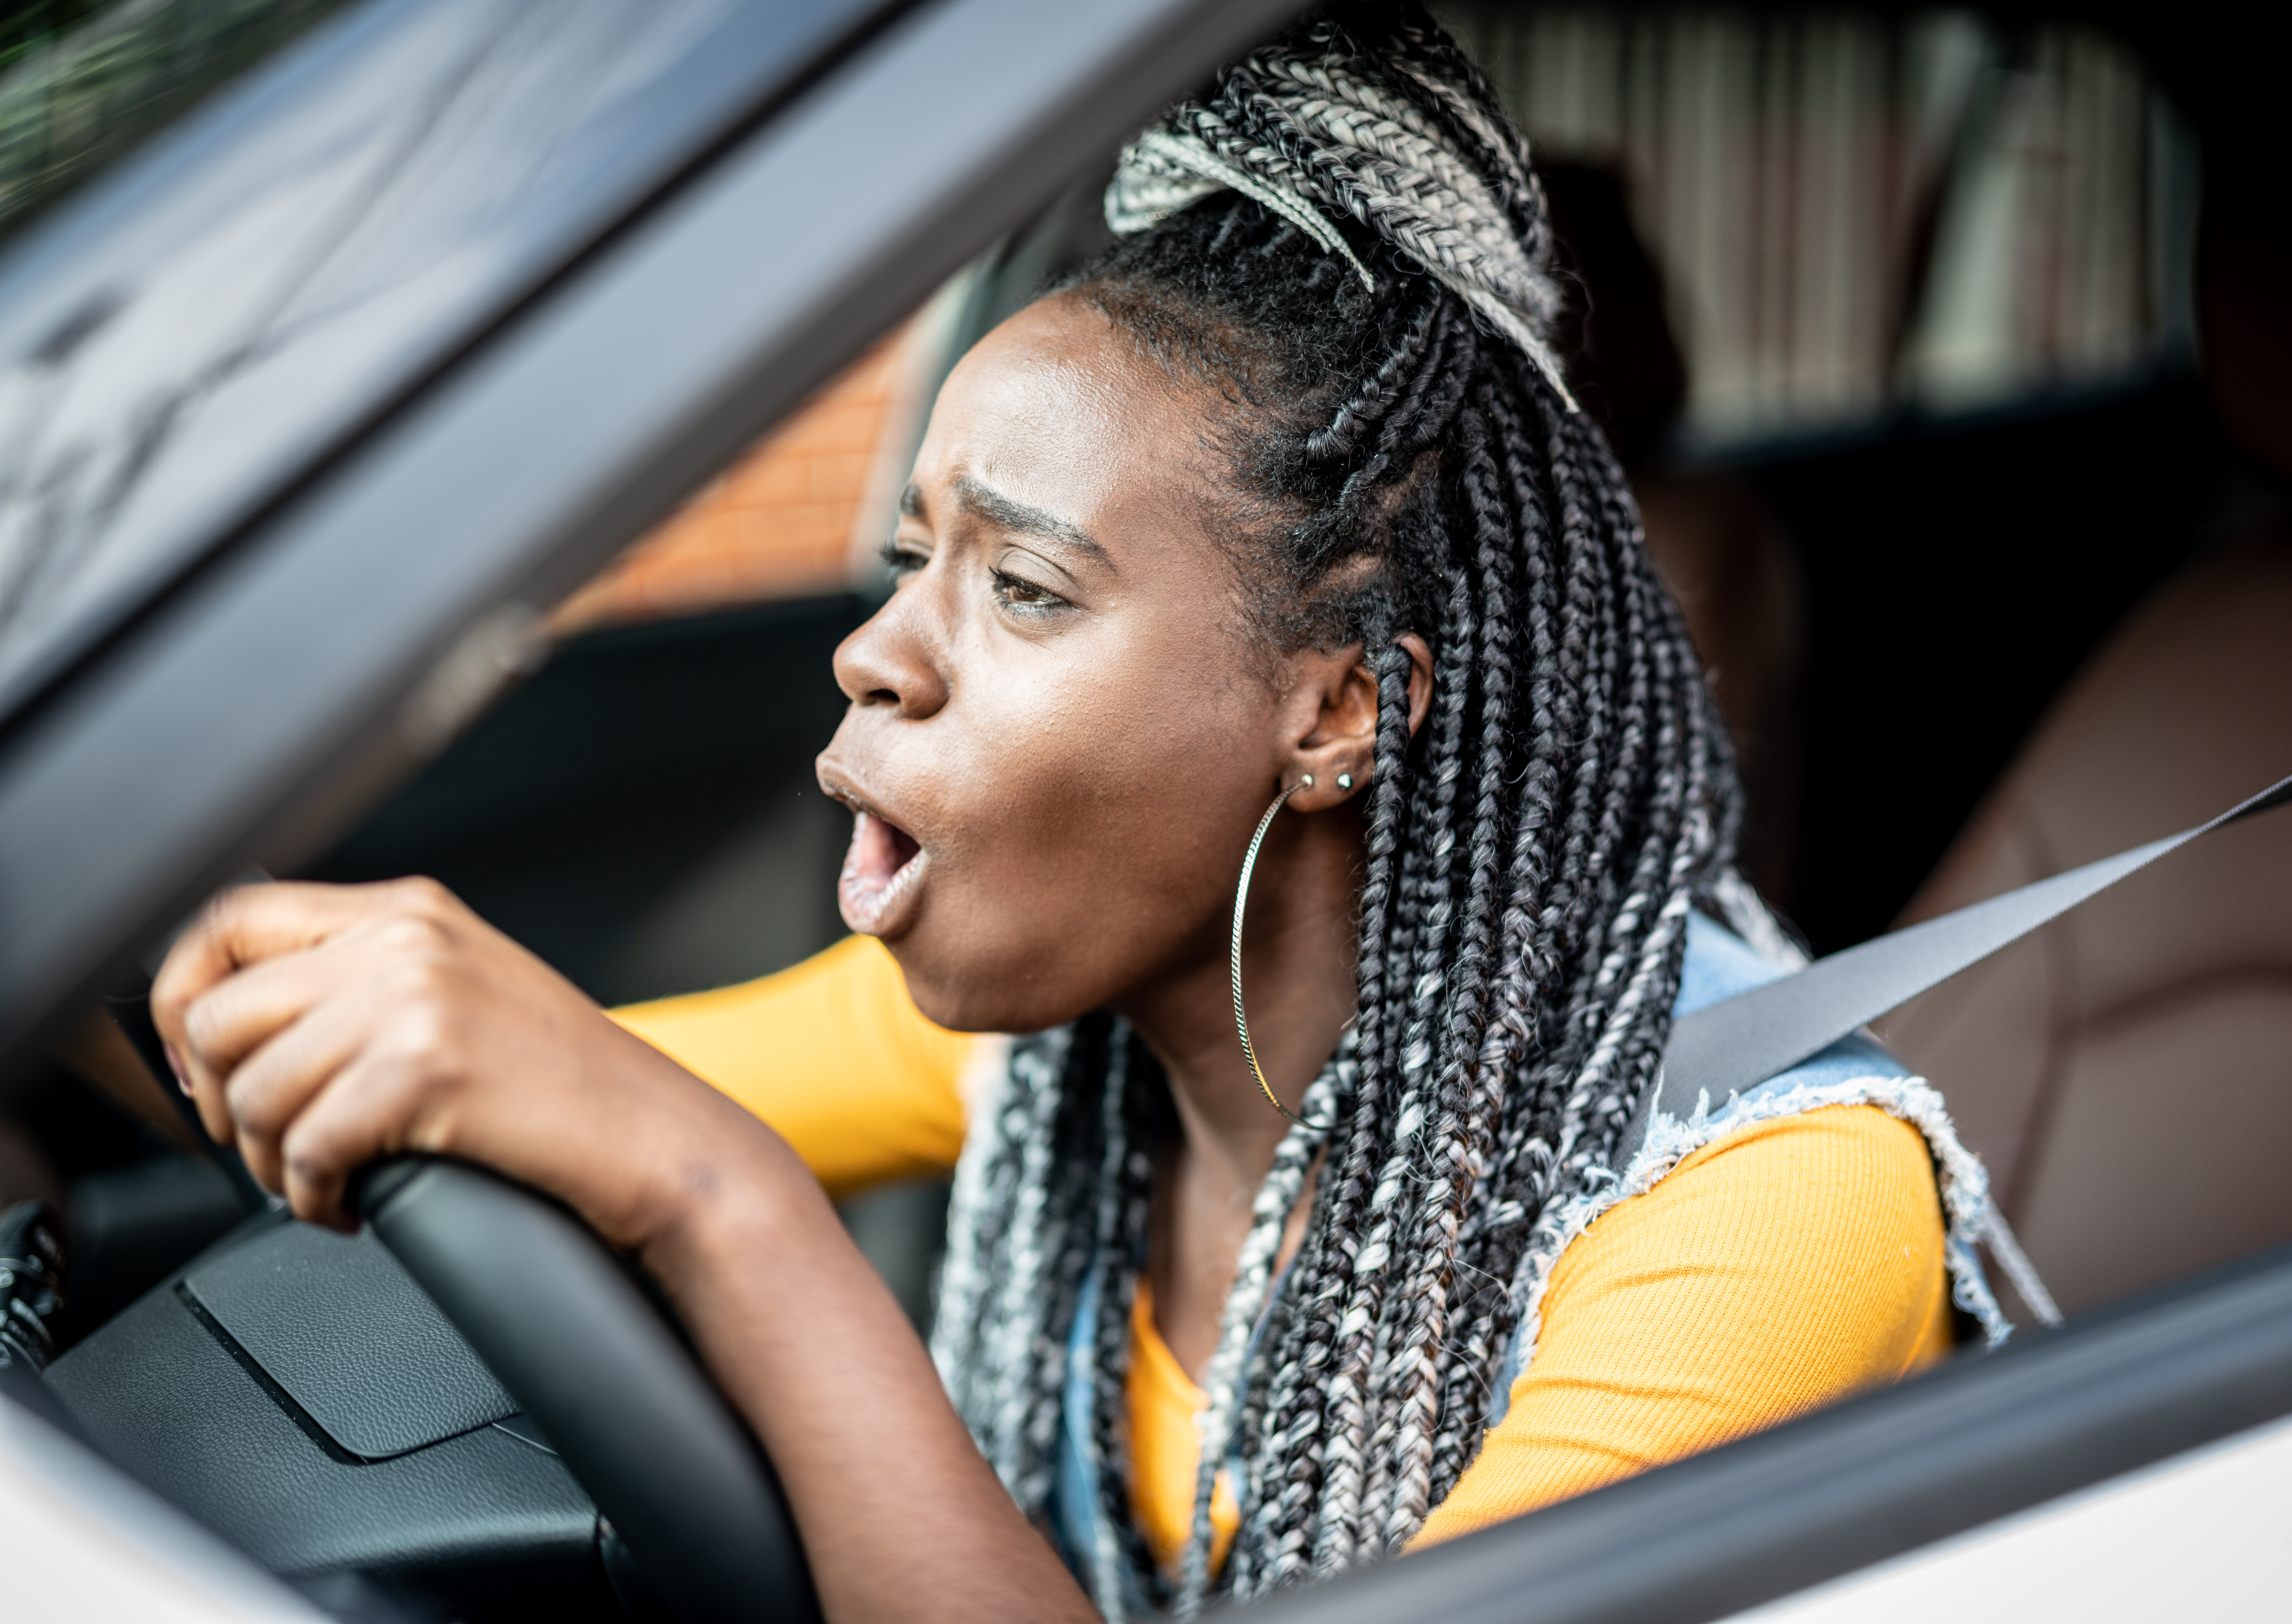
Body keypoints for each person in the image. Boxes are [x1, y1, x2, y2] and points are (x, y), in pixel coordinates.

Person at [148, 9, 2019, 1620]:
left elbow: (662, 1134)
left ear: (1340, 708)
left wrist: (729, 1204)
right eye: (910, 561)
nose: (880, 650)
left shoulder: (1771, 1209)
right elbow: (492, 1078)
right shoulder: (1061, 1060)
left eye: (1022, 588)